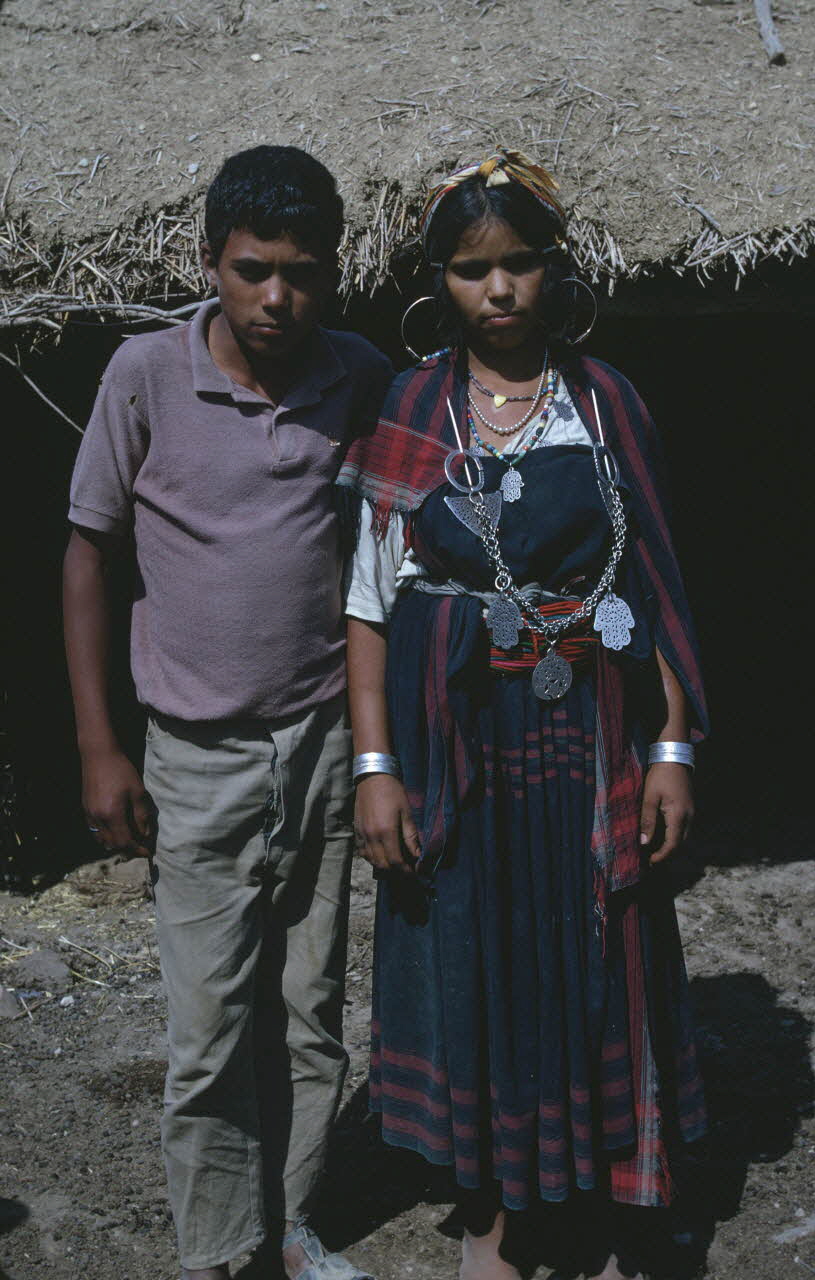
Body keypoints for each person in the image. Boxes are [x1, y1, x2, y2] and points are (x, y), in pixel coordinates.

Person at [340, 150, 708, 1280]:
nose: (496, 290)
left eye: (518, 265)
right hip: (460, 748)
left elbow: (658, 586)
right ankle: (492, 1213)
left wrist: (670, 745)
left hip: (585, 737)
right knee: (475, 961)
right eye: (468, 269)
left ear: (554, 270)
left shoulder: (604, 403)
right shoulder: (413, 406)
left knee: (594, 955)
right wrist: (374, 764)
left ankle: (593, 1204)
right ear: (434, 281)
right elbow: (366, 600)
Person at [63, 145, 391, 1280]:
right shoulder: (144, 376)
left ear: (333, 273)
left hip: (323, 744)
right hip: (194, 755)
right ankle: (216, 1251)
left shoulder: (353, 374)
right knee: (207, 1032)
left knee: (308, 1009)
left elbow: (387, 547)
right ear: (209, 262)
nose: (275, 298)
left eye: (302, 272)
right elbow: (89, 552)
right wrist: (102, 745)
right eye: (253, 270)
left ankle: (287, 1223)